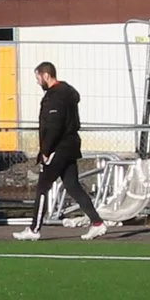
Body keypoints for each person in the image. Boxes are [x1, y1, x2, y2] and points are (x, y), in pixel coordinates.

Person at [17, 61, 107, 240]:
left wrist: (46, 150)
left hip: (59, 148)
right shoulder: (67, 93)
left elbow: (54, 125)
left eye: (38, 77)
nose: (37, 82)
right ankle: (97, 223)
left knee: (43, 187)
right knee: (72, 185)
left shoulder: (55, 97)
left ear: (46, 75)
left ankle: (34, 229)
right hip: (70, 146)